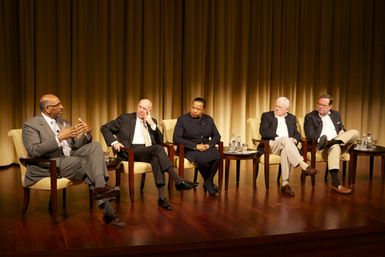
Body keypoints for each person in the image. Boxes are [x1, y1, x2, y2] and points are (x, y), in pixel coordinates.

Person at [22, 94, 125, 228]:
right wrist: (58, 138)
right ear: (48, 108)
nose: (62, 107)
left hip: (69, 158)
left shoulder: (63, 121)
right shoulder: (31, 125)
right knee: (89, 165)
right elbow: (33, 151)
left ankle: (100, 188)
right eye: (58, 105)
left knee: (95, 146)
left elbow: (75, 146)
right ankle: (108, 210)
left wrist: (87, 134)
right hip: (50, 163)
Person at [100, 99, 196, 210]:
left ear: (149, 110)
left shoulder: (152, 121)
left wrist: (152, 124)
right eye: (139, 107)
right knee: (158, 150)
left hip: (149, 151)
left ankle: (161, 198)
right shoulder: (125, 118)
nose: (141, 110)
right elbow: (105, 127)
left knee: (156, 158)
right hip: (130, 151)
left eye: (144, 108)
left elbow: (160, 141)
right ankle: (178, 180)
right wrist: (114, 142)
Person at [259, 97, 319, 196]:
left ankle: (285, 184)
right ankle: (304, 166)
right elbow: (263, 132)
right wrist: (282, 138)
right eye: (276, 106)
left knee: (285, 151)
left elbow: (297, 134)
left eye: (280, 107)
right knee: (286, 140)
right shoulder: (267, 116)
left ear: (286, 109)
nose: (277, 108)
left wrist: (294, 140)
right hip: (271, 145)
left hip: (286, 146)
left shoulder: (291, 118)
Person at [304, 94, 359, 194]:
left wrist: (342, 132)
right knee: (335, 147)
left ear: (330, 106)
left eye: (324, 105)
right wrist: (324, 140)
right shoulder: (310, 117)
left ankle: (330, 142)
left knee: (355, 132)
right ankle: (336, 182)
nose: (320, 106)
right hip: (321, 147)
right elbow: (310, 135)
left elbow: (341, 128)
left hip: (338, 142)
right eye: (319, 104)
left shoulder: (336, 114)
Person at [173, 97, 221, 196]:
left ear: (203, 110)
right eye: (193, 108)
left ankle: (207, 182)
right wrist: (195, 146)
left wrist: (209, 145)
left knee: (217, 157)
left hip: (205, 147)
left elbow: (217, 136)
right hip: (189, 148)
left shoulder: (208, 119)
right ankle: (209, 184)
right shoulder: (182, 119)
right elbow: (176, 138)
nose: (194, 110)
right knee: (203, 159)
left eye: (198, 109)